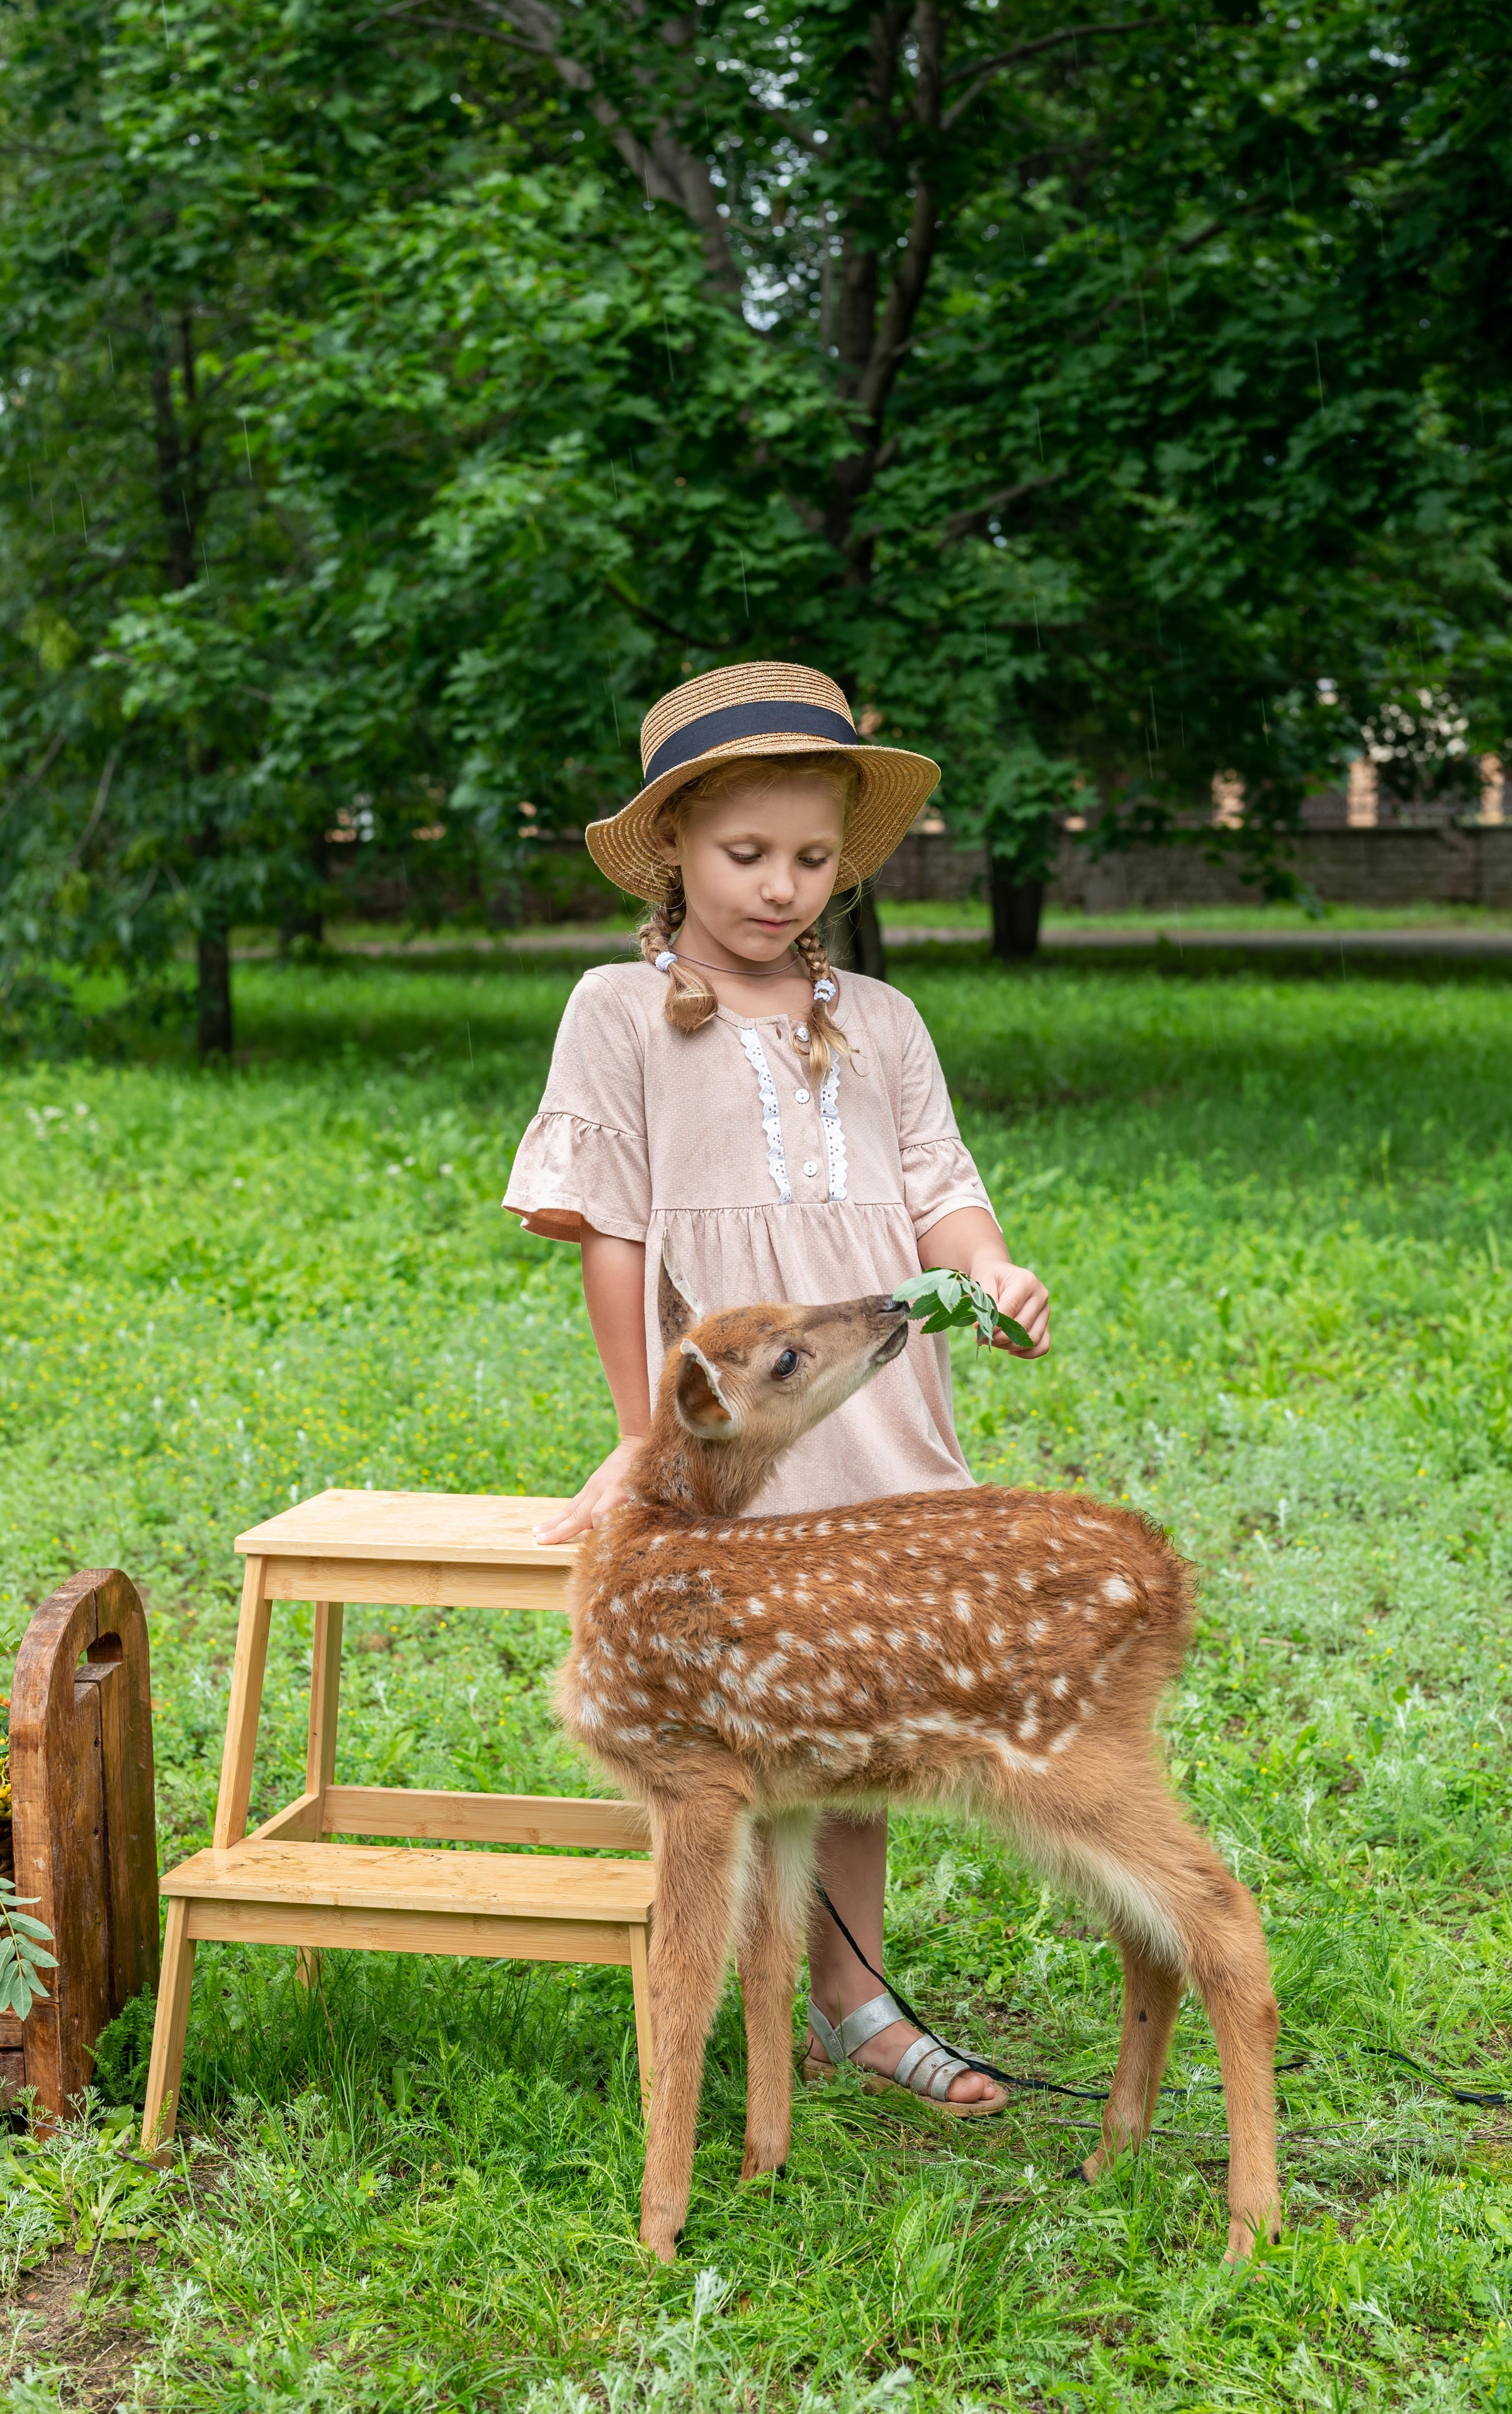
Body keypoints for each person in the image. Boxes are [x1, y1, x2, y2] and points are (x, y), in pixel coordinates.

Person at [504, 660, 1049, 2113]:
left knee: (855, 1696)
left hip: (873, 1406)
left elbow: (941, 1190)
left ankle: (850, 1999)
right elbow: (612, 1234)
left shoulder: (881, 1018)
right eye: (746, 852)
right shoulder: (619, 1010)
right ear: (674, 844)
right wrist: (644, 1443)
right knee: (734, 1712)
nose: (780, 886)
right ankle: (725, 1987)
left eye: (811, 859)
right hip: (740, 1427)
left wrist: (990, 1269)